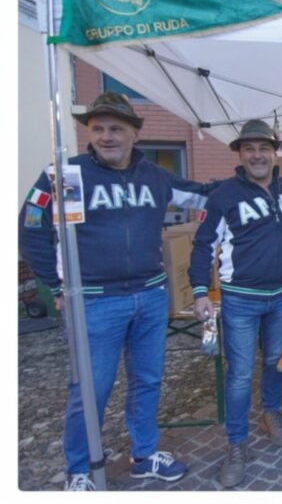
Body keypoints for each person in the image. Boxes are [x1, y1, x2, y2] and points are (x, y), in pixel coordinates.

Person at [19, 91, 213, 490]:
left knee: (148, 380)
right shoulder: (64, 174)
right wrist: (55, 285)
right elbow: (31, 226)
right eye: (98, 129)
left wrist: (251, 182)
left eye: (116, 129)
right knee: (90, 389)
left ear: (134, 134)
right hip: (93, 301)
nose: (107, 136)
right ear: (89, 133)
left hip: (151, 296)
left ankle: (144, 455)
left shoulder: (156, 177)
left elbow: (204, 194)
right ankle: (79, 470)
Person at [189, 119, 282, 488]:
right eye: (249, 149)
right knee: (240, 373)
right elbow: (203, 244)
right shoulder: (224, 196)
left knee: (275, 360)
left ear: (275, 152)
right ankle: (236, 444)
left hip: (281, 295)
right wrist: (199, 290)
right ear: (240, 154)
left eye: (264, 148)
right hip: (241, 299)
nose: (257, 155)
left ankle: (271, 413)